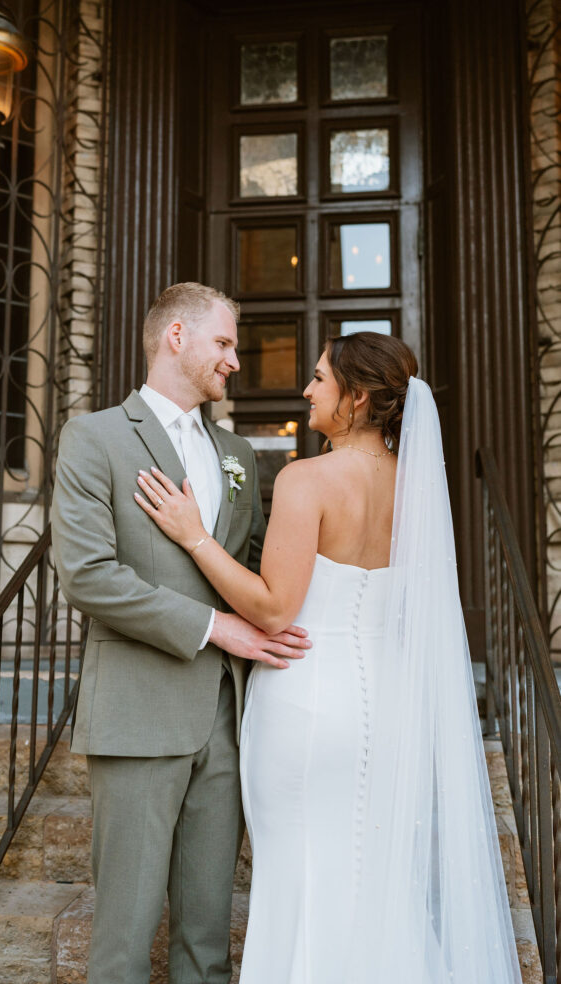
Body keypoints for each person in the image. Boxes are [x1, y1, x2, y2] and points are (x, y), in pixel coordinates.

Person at [134, 331, 523, 984]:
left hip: (308, 705)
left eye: (318, 379)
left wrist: (193, 534)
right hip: (386, 711)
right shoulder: (416, 486)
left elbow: (273, 609)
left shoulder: (306, 479)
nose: (306, 390)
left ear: (358, 396)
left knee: (301, 885)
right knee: (372, 884)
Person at [50, 282, 311, 984]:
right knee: (123, 942)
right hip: (138, 715)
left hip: (226, 723)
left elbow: (256, 568)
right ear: (175, 337)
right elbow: (89, 577)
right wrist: (211, 626)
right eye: (223, 343)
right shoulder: (95, 437)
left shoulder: (238, 454)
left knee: (207, 943)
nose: (234, 360)